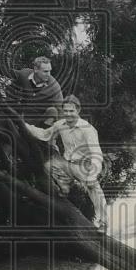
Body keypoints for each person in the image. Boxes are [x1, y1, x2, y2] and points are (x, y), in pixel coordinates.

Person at [23, 95, 108, 231]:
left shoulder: (88, 129)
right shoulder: (60, 125)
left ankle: (103, 223)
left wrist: (93, 174)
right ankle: (65, 186)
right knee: (49, 166)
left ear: (78, 110)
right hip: (67, 163)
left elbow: (96, 153)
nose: (68, 114)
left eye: (71, 111)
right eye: (66, 111)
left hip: (84, 166)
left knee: (95, 191)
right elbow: (45, 134)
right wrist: (25, 125)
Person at [8, 56, 64, 124]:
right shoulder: (23, 74)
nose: (49, 75)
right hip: (21, 118)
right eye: (45, 71)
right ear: (36, 69)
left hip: (41, 122)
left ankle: (44, 133)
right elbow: (8, 75)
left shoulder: (54, 87)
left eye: (50, 71)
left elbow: (60, 110)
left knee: (52, 111)